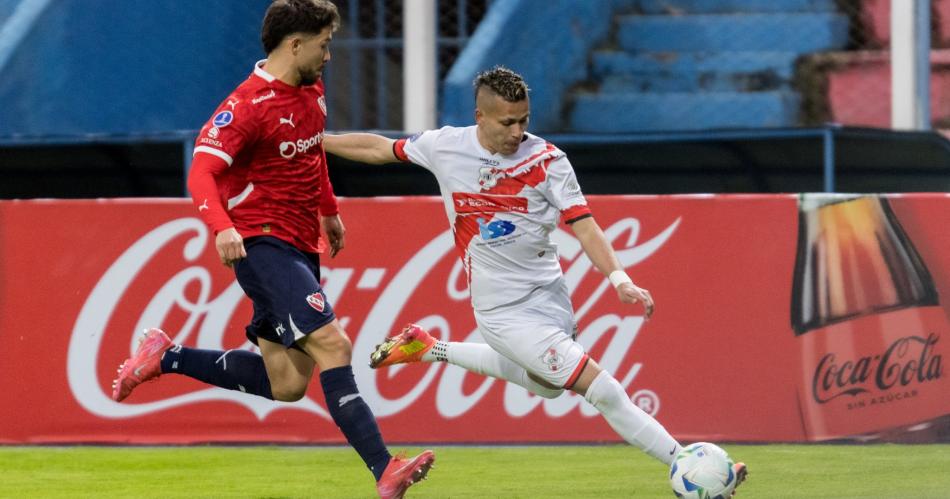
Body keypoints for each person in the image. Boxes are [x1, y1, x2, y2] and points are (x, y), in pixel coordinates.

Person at [323, 66, 746, 493]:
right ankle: (686, 464)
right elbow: (379, 148)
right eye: (507, 122)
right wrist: (318, 141)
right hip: (502, 312)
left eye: (524, 120)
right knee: (601, 389)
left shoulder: (547, 161)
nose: (517, 132)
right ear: (480, 117)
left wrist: (619, 278)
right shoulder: (445, 146)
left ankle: (430, 348)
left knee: (548, 387)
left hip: (551, 297)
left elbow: (585, 226)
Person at [110, 2, 433, 497]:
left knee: (287, 384)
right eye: (324, 45)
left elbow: (311, 153)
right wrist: (221, 228)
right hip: (261, 242)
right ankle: (384, 468)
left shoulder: (311, 91)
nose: (329, 55)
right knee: (334, 345)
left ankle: (167, 357)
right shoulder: (247, 105)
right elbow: (202, 172)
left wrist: (328, 209)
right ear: (295, 45)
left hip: (300, 243)